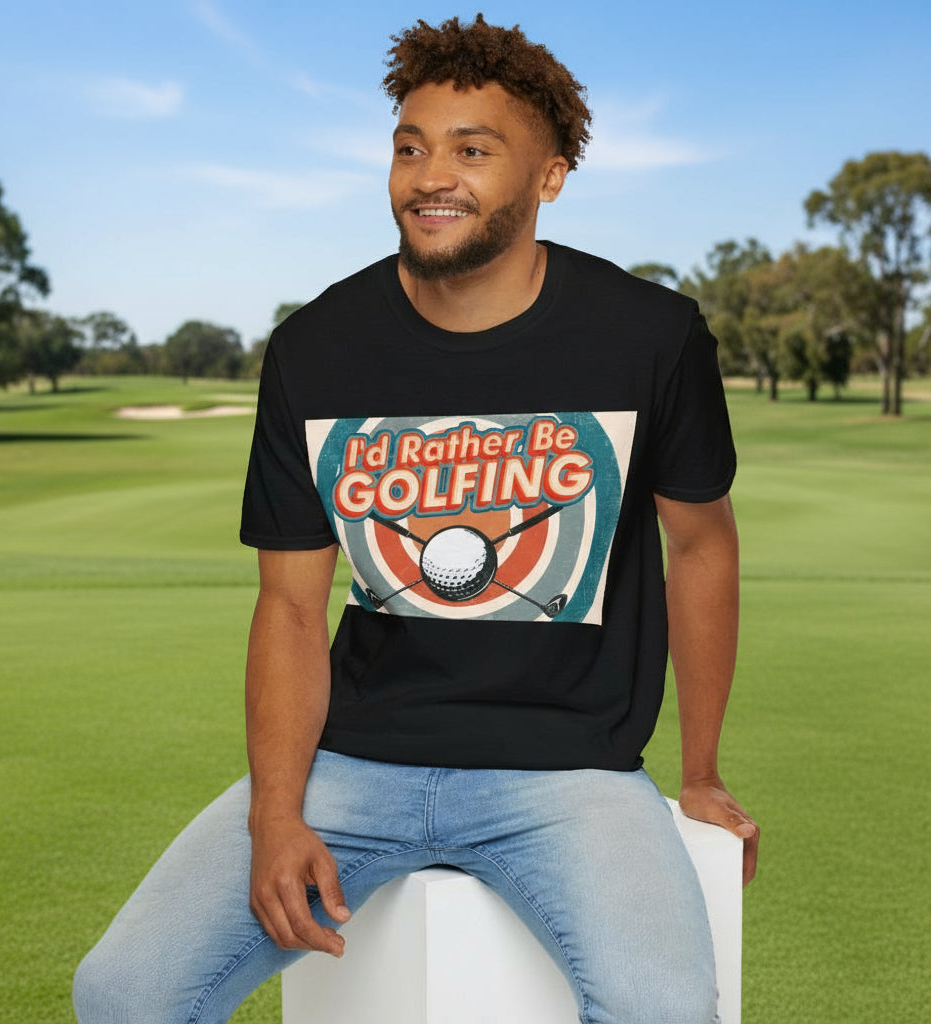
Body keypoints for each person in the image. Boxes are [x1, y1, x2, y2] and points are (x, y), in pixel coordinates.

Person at [73, 14, 758, 1024]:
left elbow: (700, 545)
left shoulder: (649, 336)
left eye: (472, 151)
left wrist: (699, 772)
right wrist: (276, 812)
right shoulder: (316, 348)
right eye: (410, 147)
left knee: (663, 1008)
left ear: (550, 176)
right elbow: (290, 607)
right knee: (124, 992)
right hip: (353, 760)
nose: (431, 176)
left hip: (571, 770)